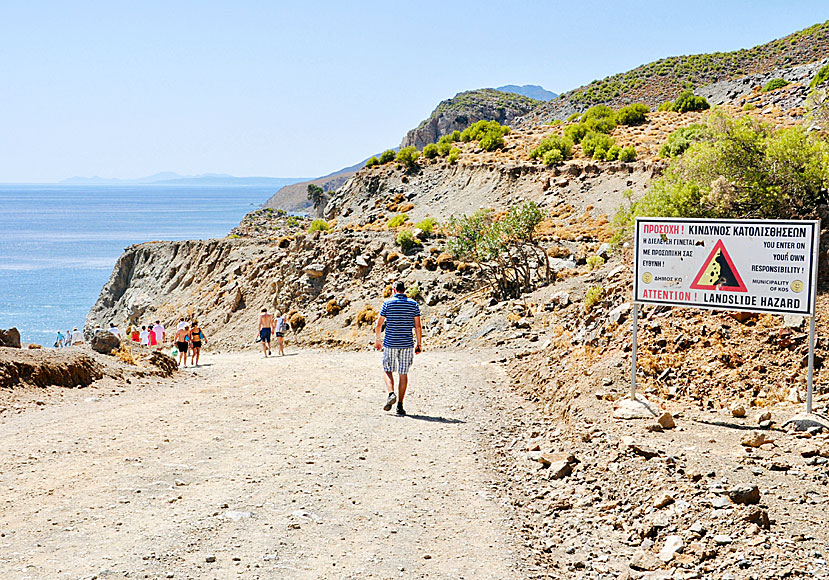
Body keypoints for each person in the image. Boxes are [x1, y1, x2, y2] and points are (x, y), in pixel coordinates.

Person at [374, 281, 422, 417]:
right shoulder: (413, 304)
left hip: (390, 343)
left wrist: (378, 340)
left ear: (394, 290)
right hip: (407, 343)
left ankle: (391, 394)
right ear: (404, 290)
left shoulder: (387, 304)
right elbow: (418, 326)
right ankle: (400, 406)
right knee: (403, 373)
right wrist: (419, 344)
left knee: (387, 370)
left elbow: (379, 324)